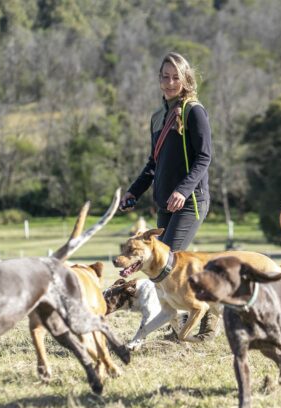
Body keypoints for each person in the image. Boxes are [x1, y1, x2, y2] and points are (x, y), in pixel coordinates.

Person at [119, 51, 217, 340]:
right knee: (169, 270)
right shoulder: (158, 117)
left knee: (166, 267)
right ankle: (179, 325)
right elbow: (153, 164)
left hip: (190, 201)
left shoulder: (194, 111)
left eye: (176, 77)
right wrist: (133, 192)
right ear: (159, 80)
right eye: (165, 76)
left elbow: (204, 158)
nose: (170, 82)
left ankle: (205, 327)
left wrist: (183, 191)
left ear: (186, 79)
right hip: (164, 203)